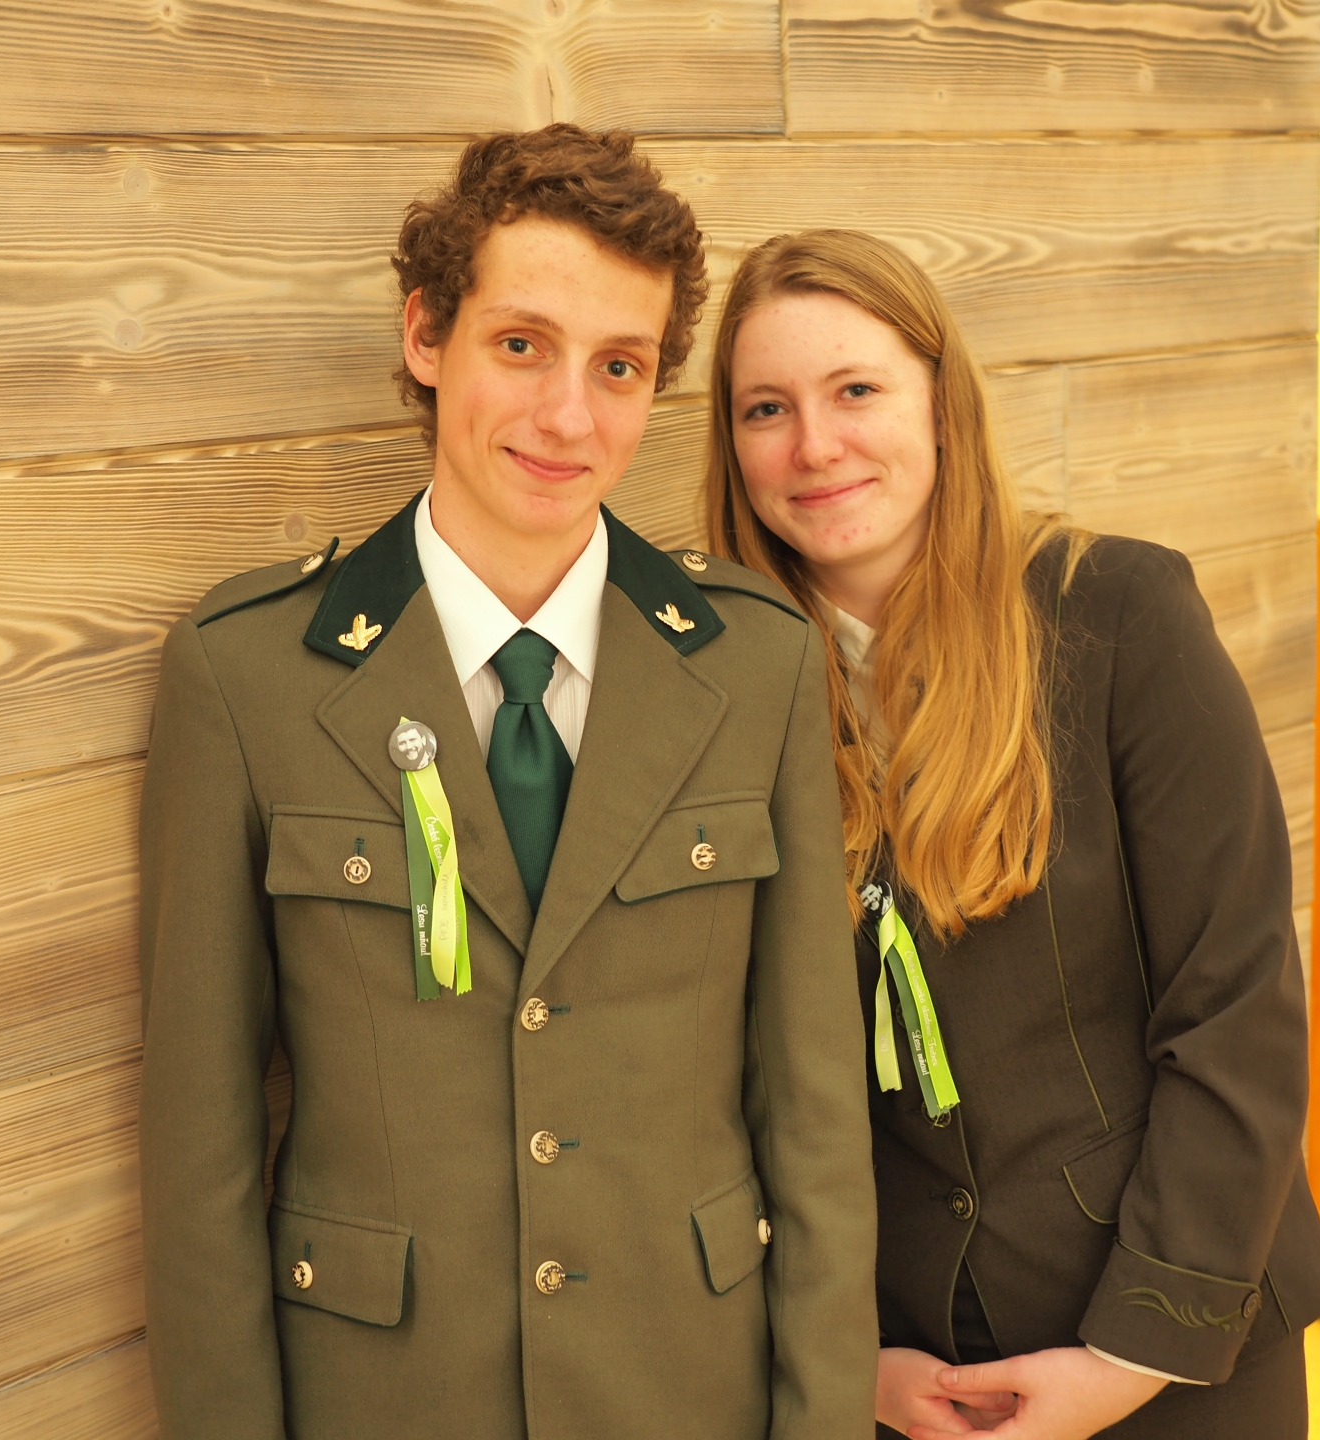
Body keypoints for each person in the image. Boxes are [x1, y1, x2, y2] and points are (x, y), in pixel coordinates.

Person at [136, 129, 878, 1440]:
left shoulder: (756, 661)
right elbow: (201, 1157)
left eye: (619, 366)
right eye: (523, 344)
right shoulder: (247, 675)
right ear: (428, 334)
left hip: (684, 1390)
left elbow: (815, 1119)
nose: (568, 418)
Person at [703, 229, 1320, 1439]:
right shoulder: (720, 690)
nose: (813, 445)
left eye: (856, 390)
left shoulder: (1122, 618)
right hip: (903, 1372)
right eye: (765, 409)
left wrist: (1128, 1356)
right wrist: (847, 1355)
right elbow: (719, 1075)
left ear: (942, 405)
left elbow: (1235, 1011)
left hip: (1171, 1341)